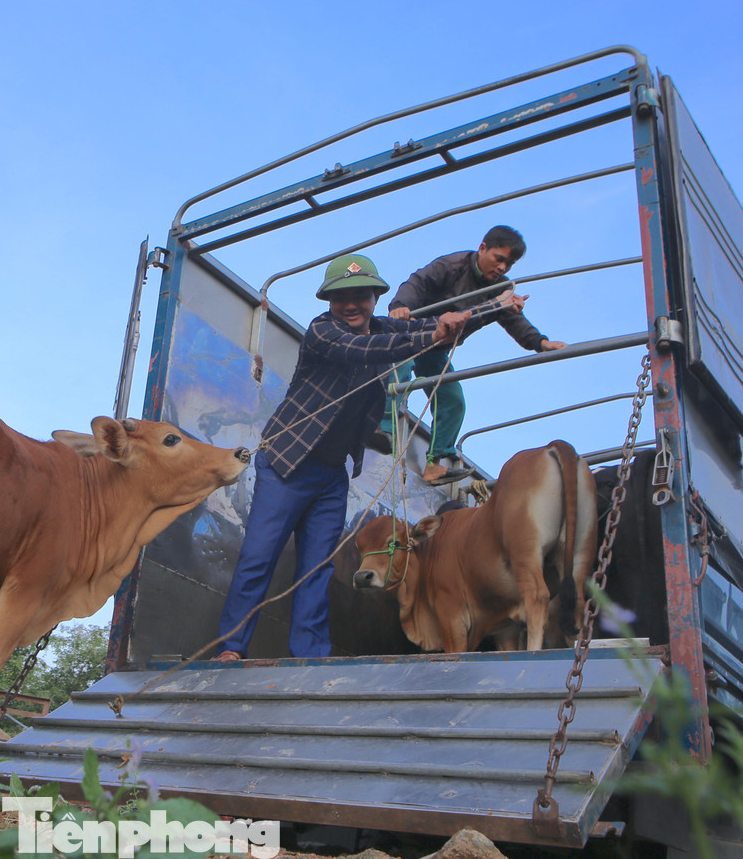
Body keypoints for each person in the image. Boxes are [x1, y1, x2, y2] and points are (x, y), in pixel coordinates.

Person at [213, 254, 525, 661]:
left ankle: (309, 655)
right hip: (287, 464)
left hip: (330, 475)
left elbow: (437, 326)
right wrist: (432, 337)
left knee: (317, 569)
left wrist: (493, 308)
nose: (351, 304)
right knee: (258, 556)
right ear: (328, 301)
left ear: (376, 297)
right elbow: (371, 349)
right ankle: (231, 648)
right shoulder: (323, 332)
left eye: (361, 295)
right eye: (341, 297)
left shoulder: (385, 327)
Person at [371, 225, 565, 485]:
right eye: (499, 259)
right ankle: (381, 430)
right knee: (399, 375)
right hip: (414, 333)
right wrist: (400, 306)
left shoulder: (501, 292)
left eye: (509, 264)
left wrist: (541, 343)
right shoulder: (452, 266)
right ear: (483, 247)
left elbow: (516, 321)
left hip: (438, 349)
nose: (503, 268)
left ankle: (435, 463)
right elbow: (417, 282)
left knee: (452, 399)